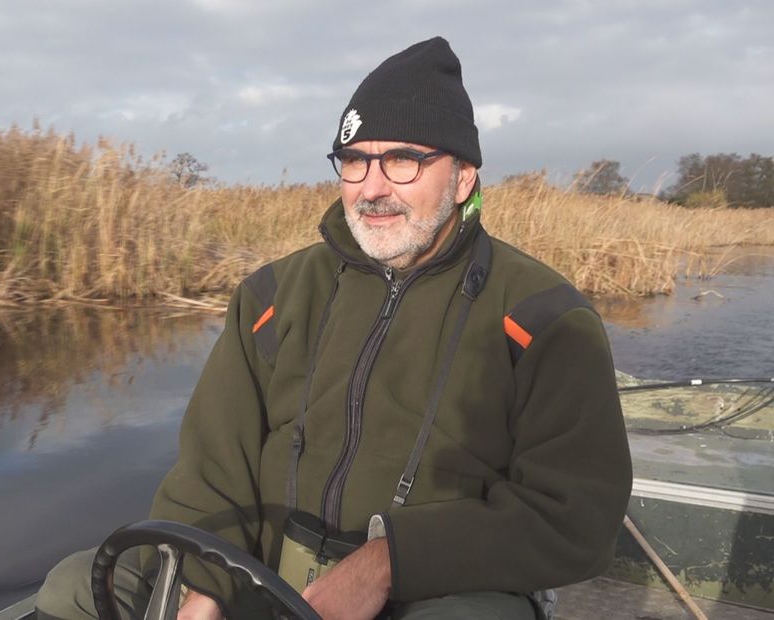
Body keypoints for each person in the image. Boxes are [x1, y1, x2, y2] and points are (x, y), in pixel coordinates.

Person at [35, 36, 632, 620]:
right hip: (262, 566)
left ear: (463, 178)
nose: (371, 188)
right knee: (73, 588)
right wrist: (207, 587)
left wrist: (386, 564)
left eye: (403, 159)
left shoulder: (545, 318)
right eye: (353, 160)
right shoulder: (272, 296)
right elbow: (214, 464)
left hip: (438, 581)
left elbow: (574, 517)